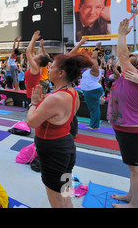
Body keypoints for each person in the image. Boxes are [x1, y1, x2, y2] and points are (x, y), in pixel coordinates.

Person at [26, 52, 93, 208]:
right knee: (65, 193)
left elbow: (31, 122)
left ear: (61, 73)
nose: (48, 70)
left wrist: (34, 103)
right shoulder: (73, 92)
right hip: (66, 147)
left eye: (52, 68)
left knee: (56, 199)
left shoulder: (55, 98)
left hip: (53, 151)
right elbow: (61, 115)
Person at [107, 19, 138, 208]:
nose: (128, 60)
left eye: (133, 59)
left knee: (137, 170)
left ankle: (135, 204)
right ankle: (131, 196)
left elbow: (122, 55)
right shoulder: (129, 78)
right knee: (133, 168)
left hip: (133, 131)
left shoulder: (135, 78)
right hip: (127, 129)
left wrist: (121, 35)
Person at [80, 42, 104, 130]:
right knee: (93, 108)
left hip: (92, 90)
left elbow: (94, 57)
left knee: (94, 108)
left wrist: (96, 48)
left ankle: (94, 126)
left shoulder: (95, 70)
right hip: (91, 90)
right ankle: (93, 123)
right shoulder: (91, 70)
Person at [24, 31, 51, 106]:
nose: (35, 55)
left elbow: (28, 51)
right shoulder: (37, 66)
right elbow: (31, 51)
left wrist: (33, 38)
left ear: (39, 60)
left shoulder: (36, 67)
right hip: (33, 94)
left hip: (33, 96)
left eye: (37, 55)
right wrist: (34, 40)